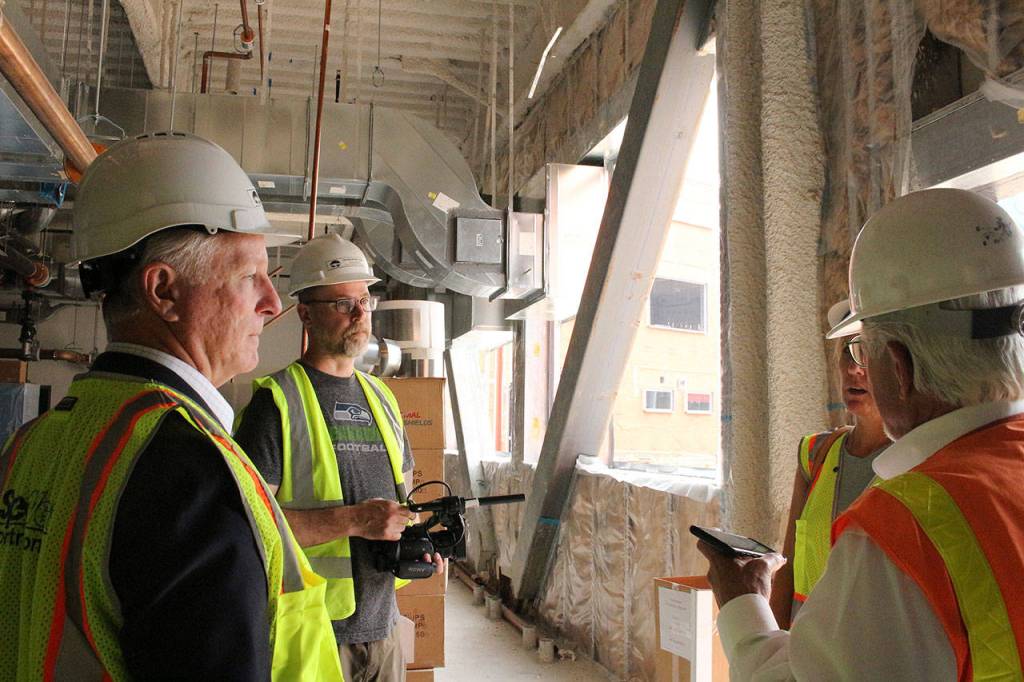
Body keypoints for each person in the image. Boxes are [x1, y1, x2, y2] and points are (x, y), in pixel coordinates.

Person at [0, 133, 342, 681]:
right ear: (164, 291)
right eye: (250, 275)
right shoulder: (192, 474)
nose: (273, 302)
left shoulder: (32, 444)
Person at [698, 188, 1024, 679]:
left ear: (898, 365)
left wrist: (743, 604)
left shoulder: (904, 529)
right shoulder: (823, 456)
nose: (857, 371)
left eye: (861, 353)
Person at [235, 233, 443, 682]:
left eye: (365, 301)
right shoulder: (276, 404)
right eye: (343, 303)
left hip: (384, 628)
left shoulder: (382, 399)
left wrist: (420, 541)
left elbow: (401, 506)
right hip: (310, 631)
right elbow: (249, 530)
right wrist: (353, 521)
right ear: (306, 314)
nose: (360, 314)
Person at [769, 301, 890, 628]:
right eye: (845, 355)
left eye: (866, 356)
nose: (853, 370)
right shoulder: (816, 453)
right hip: (804, 644)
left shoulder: (917, 462)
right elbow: (789, 565)